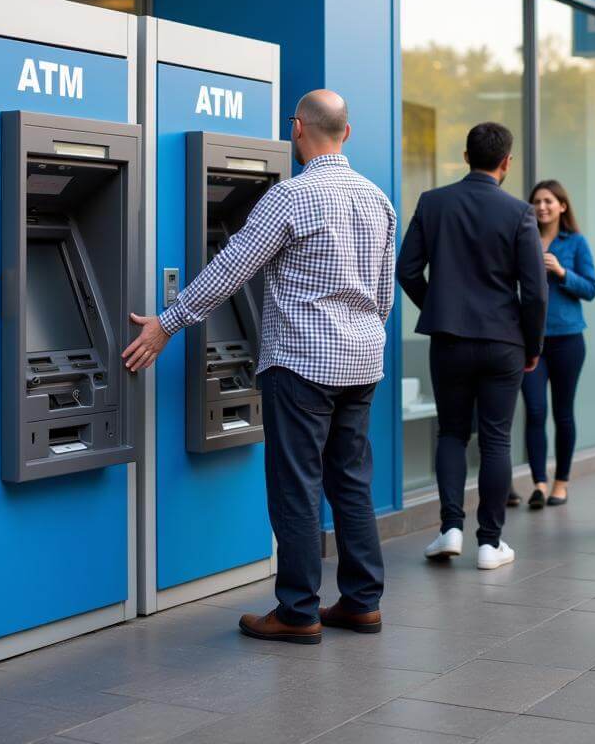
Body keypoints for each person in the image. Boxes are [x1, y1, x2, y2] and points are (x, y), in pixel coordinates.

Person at [122, 90, 397, 644]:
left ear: (298, 128)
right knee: (350, 481)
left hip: (301, 362)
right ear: (348, 131)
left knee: (296, 485)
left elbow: (231, 267)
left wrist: (166, 323)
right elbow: (383, 292)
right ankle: (362, 602)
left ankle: (298, 612)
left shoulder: (291, 198)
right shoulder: (378, 200)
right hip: (362, 361)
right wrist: (361, 334)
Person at [397, 122, 547, 571]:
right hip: (504, 341)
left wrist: (440, 309)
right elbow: (535, 292)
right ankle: (490, 543)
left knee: (451, 432)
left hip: (449, 341)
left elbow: (407, 271)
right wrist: (532, 344)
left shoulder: (433, 203)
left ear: (465, 156)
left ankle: (450, 530)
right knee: (496, 439)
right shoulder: (519, 213)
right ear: (506, 163)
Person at [522, 180, 595, 509]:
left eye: (549, 201)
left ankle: (561, 482)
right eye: (537, 201)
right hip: (530, 341)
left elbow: (591, 288)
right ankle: (538, 482)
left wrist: (562, 272)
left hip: (568, 339)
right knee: (535, 411)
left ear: (562, 206)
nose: (542, 207)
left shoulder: (576, 242)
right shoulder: (523, 239)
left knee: (563, 413)